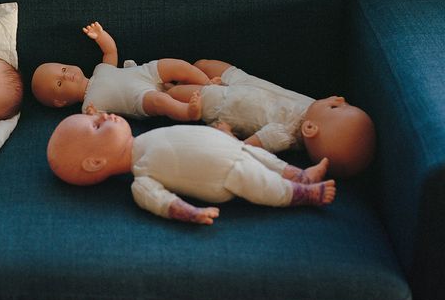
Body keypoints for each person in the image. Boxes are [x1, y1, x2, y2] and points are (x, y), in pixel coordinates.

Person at [46, 109, 336, 225]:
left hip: (233, 148)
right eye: (97, 125)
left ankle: (301, 175)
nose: (105, 116)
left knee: (265, 159)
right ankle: (301, 194)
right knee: (261, 183)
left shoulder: (145, 139)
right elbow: (161, 202)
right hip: (226, 176)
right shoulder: (141, 177)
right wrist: (191, 213)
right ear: (95, 162)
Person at [165, 60, 376, 178]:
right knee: (204, 64)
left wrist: (229, 137)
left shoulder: (284, 135)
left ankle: (162, 89)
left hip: (225, 103)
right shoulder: (313, 108)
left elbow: (247, 147)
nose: (340, 98)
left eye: (336, 107)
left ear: (310, 129)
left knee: (177, 94)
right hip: (243, 81)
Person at [31, 21, 216, 122]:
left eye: (62, 69)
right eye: (59, 82)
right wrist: (94, 117)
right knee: (161, 101)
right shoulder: (89, 105)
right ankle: (188, 113)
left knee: (177, 65)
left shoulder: (100, 70)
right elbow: (97, 122)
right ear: (60, 102)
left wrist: (101, 36)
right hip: (139, 98)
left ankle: (208, 83)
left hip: (144, 73)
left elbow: (110, 52)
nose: (65, 74)